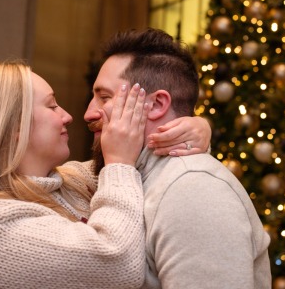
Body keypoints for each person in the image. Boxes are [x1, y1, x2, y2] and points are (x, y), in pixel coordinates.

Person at [0, 61, 150, 289]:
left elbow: (137, 163)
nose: (68, 116)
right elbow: (119, 265)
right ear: (14, 125)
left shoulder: (69, 182)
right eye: (52, 106)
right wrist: (119, 163)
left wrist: (185, 129)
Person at [83, 29, 272, 288]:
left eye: (104, 97)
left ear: (157, 105)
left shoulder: (193, 188)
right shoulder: (128, 175)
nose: (88, 113)